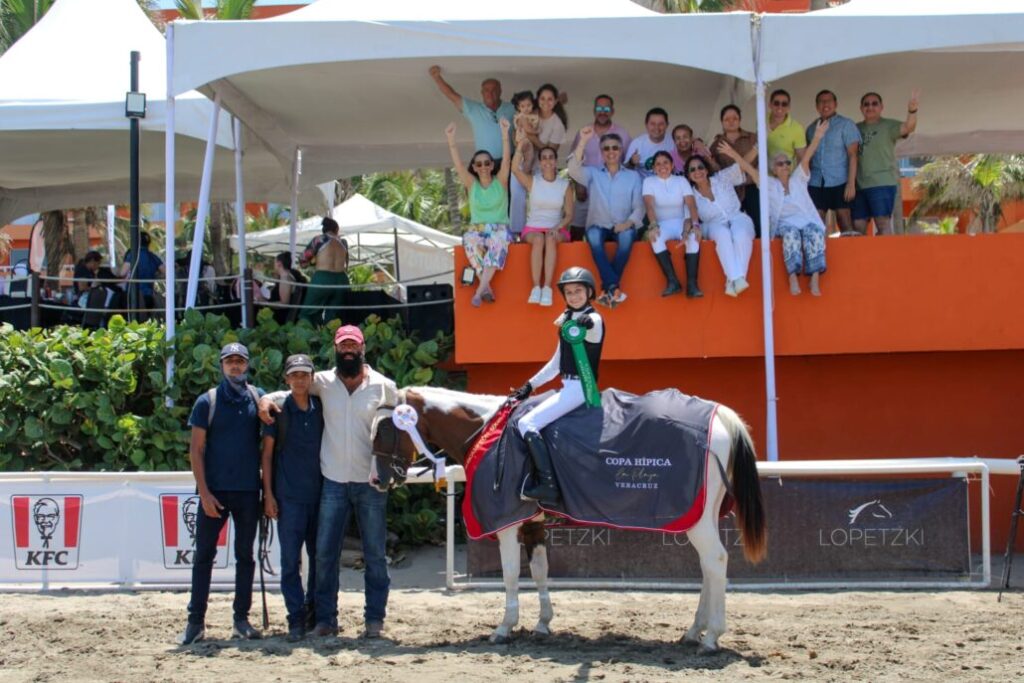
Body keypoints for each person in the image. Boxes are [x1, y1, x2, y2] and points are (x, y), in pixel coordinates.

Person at [259, 325, 398, 640]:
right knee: (324, 555)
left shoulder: (385, 386)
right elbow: (292, 391)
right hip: (333, 482)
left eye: (353, 344)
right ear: (335, 348)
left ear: (363, 348)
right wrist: (264, 398)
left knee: (375, 554)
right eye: (343, 345)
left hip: (371, 483)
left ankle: (374, 620)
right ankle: (326, 619)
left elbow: (398, 430)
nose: (348, 350)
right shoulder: (321, 381)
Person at [180, 343, 265, 645]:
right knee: (203, 556)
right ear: (221, 365)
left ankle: (241, 619)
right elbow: (196, 450)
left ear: (247, 365)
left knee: (245, 556)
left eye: (240, 361)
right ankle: (195, 622)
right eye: (230, 361)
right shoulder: (207, 401)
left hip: (247, 491)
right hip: (213, 492)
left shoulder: (258, 398)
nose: (235, 366)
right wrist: (203, 493)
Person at [510, 267, 604, 506]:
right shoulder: (568, 320)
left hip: (582, 389)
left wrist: (584, 321)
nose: (574, 296)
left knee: (526, 423)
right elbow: (556, 363)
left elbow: (593, 325)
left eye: (579, 291)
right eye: (569, 292)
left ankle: (548, 485)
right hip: (568, 386)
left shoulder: (592, 318)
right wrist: (530, 385)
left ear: (589, 292)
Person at [721, 121, 830, 297]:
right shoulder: (768, 184)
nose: (785, 166)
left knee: (814, 232)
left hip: (806, 219)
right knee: (791, 235)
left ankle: (815, 278)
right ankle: (793, 276)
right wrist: (732, 153)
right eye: (780, 164)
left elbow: (807, 156)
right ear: (773, 168)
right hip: (784, 223)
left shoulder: (798, 179)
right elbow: (747, 167)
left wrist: (817, 137)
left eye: (787, 162)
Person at [261, 354, 324, 642]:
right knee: (289, 563)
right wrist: (269, 495)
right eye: (294, 375)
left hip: (320, 497)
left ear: (312, 378)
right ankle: (295, 619)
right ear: (286, 379)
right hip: (288, 499)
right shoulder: (278, 412)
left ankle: (313, 612)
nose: (299, 379)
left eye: (304, 374)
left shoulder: (321, 408)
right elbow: (267, 455)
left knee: (319, 560)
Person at [569, 126, 643, 308]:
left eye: (615, 147)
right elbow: (573, 170)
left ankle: (608, 288)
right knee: (593, 236)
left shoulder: (633, 176)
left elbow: (639, 206)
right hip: (598, 225)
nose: (611, 152)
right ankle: (613, 287)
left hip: (623, 226)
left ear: (621, 151)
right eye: (606, 148)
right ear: (601, 152)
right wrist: (583, 142)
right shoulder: (593, 173)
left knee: (626, 238)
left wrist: (628, 223)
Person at [445, 119, 513, 307]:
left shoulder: (501, 182)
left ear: (492, 165)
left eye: (486, 163)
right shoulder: (472, 185)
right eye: (479, 164)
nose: (483, 166)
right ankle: (486, 288)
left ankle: (478, 291)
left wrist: (504, 134)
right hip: (478, 229)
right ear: (474, 167)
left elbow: (507, 160)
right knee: (469, 240)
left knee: (498, 241)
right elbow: (458, 165)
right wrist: (451, 139)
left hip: (500, 228)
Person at [685, 149, 755, 297]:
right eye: (692, 169)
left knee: (741, 234)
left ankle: (733, 280)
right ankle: (737, 278)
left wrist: (756, 147)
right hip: (712, 224)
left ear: (706, 168)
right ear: (688, 175)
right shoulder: (690, 194)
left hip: (737, 216)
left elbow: (742, 165)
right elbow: (688, 216)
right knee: (722, 234)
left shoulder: (722, 177)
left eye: (700, 167)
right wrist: (689, 230)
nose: (697, 171)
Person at [512, 139, 573, 306]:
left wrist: (557, 227)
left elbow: (569, 215)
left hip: (557, 228)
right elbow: (515, 169)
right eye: (544, 157)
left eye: (551, 157)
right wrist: (520, 146)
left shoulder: (565, 185)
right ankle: (536, 288)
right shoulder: (533, 181)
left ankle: (547, 288)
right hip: (533, 228)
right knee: (539, 238)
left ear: (555, 161)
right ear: (540, 162)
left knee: (550, 238)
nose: (547, 161)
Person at [854, 90, 920, 236]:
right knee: (857, 225)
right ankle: (862, 258)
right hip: (859, 185)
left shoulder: (888, 125)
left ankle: (885, 257)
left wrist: (912, 110)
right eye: (866, 104)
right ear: (861, 108)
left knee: (882, 223)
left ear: (881, 107)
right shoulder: (855, 128)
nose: (870, 107)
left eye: (874, 104)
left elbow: (909, 127)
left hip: (882, 183)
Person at [569, 94, 632, 239]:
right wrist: (578, 184)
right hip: (585, 190)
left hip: (610, 194)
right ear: (593, 110)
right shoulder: (583, 132)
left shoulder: (622, 134)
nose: (602, 111)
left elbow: (628, 165)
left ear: (612, 111)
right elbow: (573, 162)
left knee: (609, 234)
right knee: (577, 232)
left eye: (606, 108)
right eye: (599, 108)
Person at [643, 151, 702, 297]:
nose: (662, 166)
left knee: (694, 238)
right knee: (655, 238)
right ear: (654, 168)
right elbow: (649, 206)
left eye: (666, 163)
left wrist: (695, 225)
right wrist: (653, 225)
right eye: (658, 164)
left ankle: (692, 285)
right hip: (662, 223)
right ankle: (672, 281)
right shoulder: (649, 182)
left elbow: (691, 204)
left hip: (682, 221)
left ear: (672, 165)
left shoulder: (681, 181)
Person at [429, 65, 515, 166]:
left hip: (510, 160)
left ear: (500, 91)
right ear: (482, 93)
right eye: (486, 90)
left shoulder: (512, 108)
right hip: (485, 165)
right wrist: (437, 77)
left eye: (494, 90)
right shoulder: (473, 109)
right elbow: (451, 95)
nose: (490, 93)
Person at [806, 90, 862, 234]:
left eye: (829, 101)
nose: (825, 104)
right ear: (816, 106)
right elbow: (808, 158)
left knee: (844, 220)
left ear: (835, 104)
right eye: (821, 101)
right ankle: (821, 254)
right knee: (816, 222)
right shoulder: (811, 129)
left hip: (840, 181)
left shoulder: (846, 124)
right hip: (816, 182)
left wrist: (851, 183)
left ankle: (849, 254)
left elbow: (853, 155)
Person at [711, 105, 761, 237]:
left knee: (758, 224)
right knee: (734, 228)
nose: (731, 121)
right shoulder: (716, 144)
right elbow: (716, 170)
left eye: (735, 118)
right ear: (721, 121)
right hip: (729, 191)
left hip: (752, 187)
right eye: (727, 119)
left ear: (740, 120)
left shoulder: (752, 138)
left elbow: (761, 162)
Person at [299, 217, 348, 326]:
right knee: (335, 317)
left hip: (323, 278)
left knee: (308, 313)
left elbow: (303, 260)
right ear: (336, 229)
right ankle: (332, 340)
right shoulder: (343, 242)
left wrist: (311, 263)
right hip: (342, 280)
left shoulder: (319, 239)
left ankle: (310, 339)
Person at [121, 232, 164, 320]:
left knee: (132, 319)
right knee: (147, 319)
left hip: (134, 294)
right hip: (148, 294)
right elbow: (166, 272)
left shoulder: (133, 255)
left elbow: (122, 273)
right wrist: (155, 275)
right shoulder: (153, 257)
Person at [625, 107, 674, 179]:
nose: (656, 128)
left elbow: (687, 149)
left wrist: (694, 145)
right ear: (646, 125)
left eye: (661, 124)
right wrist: (631, 162)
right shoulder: (637, 143)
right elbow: (625, 170)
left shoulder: (674, 141)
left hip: (668, 185)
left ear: (667, 125)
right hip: (643, 187)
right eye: (652, 124)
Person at [766, 89, 806, 164]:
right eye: (776, 103)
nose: (780, 107)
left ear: (789, 107)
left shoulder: (797, 128)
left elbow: (801, 158)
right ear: (770, 105)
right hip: (763, 173)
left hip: (786, 173)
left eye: (784, 104)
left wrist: (797, 176)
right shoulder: (761, 120)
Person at [267, 251, 307, 324]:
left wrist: (265, 303)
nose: (274, 266)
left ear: (279, 263)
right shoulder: (290, 276)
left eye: (274, 263)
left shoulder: (285, 278)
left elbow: (284, 303)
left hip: (281, 320)